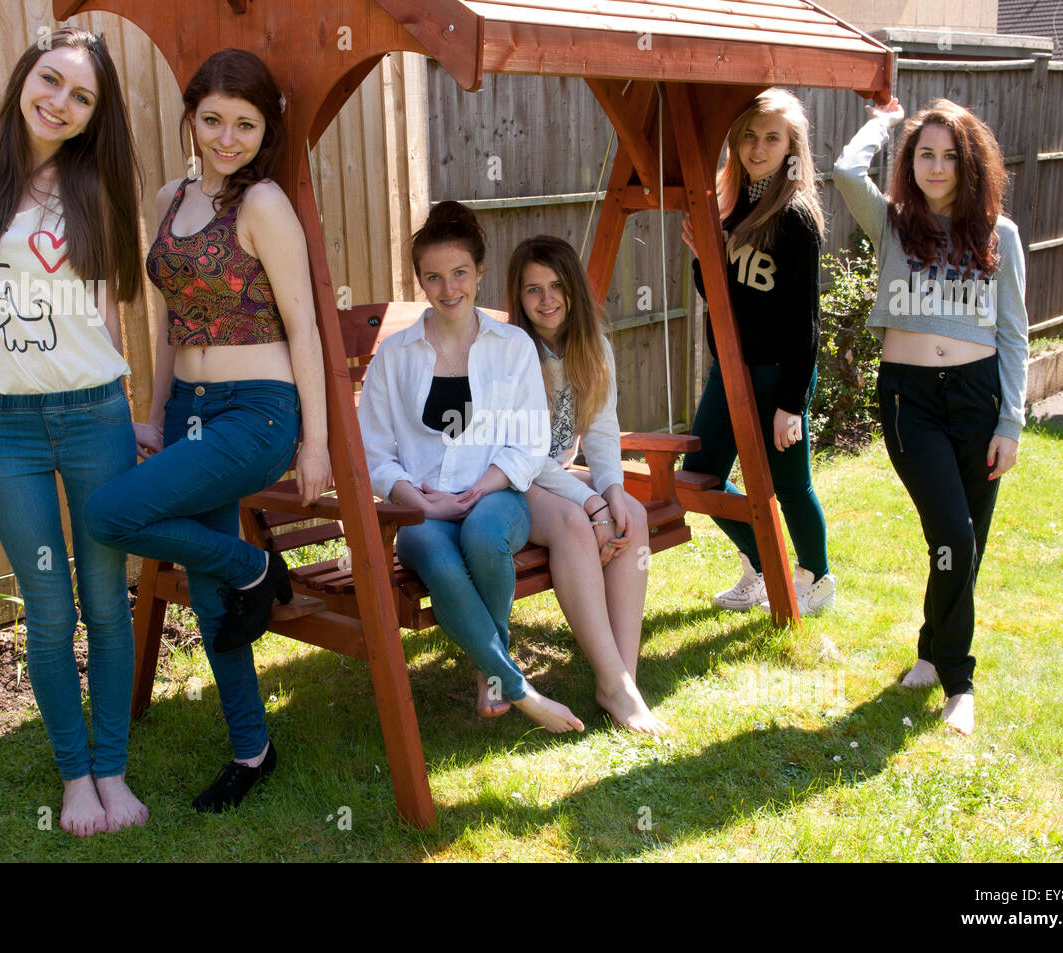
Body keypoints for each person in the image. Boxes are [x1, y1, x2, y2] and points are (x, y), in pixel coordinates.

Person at [83, 49, 331, 810]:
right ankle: (253, 748)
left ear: (267, 130)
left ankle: (256, 568)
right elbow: (169, 317)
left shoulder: (263, 206)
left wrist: (314, 440)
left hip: (255, 413)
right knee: (218, 591)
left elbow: (305, 326)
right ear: (190, 116)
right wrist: (157, 412)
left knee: (108, 513)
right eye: (214, 119)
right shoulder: (167, 198)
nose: (228, 137)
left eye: (246, 124)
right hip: (189, 409)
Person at [0, 27, 147, 836]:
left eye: (81, 96)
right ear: (25, 75)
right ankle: (75, 774)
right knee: (49, 608)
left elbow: (111, 302)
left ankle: (114, 767)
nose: (59, 102)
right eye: (50, 80)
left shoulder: (96, 182)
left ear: (95, 115)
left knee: (107, 602)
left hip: (95, 414)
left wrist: (130, 398)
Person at [834, 96, 1027, 736]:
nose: (936, 167)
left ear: (969, 164)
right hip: (909, 400)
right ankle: (957, 679)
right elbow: (842, 171)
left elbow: (1014, 336)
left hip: (978, 400)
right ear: (909, 160)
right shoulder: (893, 224)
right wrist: (886, 123)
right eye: (925, 154)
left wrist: (1010, 424)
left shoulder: (1000, 236)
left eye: (949, 155)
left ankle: (928, 646)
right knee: (954, 531)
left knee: (961, 542)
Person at [358, 202, 585, 734]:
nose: (448, 287)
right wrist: (418, 498)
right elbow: (372, 452)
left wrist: (482, 488)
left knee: (484, 537)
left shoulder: (512, 346)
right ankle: (515, 684)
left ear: (480, 272)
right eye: (433, 277)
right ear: (419, 280)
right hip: (419, 509)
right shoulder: (395, 355)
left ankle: (491, 668)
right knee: (437, 556)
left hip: (499, 496)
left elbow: (531, 441)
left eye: (460, 273)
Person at [681, 88, 836, 615]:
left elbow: (806, 323)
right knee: (700, 474)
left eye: (772, 137)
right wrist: (703, 253)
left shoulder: (795, 217)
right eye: (748, 134)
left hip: (777, 375)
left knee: (789, 486)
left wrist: (792, 404)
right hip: (729, 368)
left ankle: (816, 580)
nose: (757, 146)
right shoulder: (734, 203)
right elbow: (719, 294)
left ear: (793, 145)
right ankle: (760, 565)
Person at [505, 236, 667, 735]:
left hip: (557, 477)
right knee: (579, 524)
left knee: (632, 516)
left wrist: (613, 491)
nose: (546, 299)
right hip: (512, 479)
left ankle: (622, 681)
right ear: (519, 295)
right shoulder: (514, 353)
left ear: (573, 288)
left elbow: (600, 426)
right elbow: (527, 456)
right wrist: (591, 500)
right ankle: (616, 685)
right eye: (533, 289)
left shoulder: (593, 345)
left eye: (556, 286)